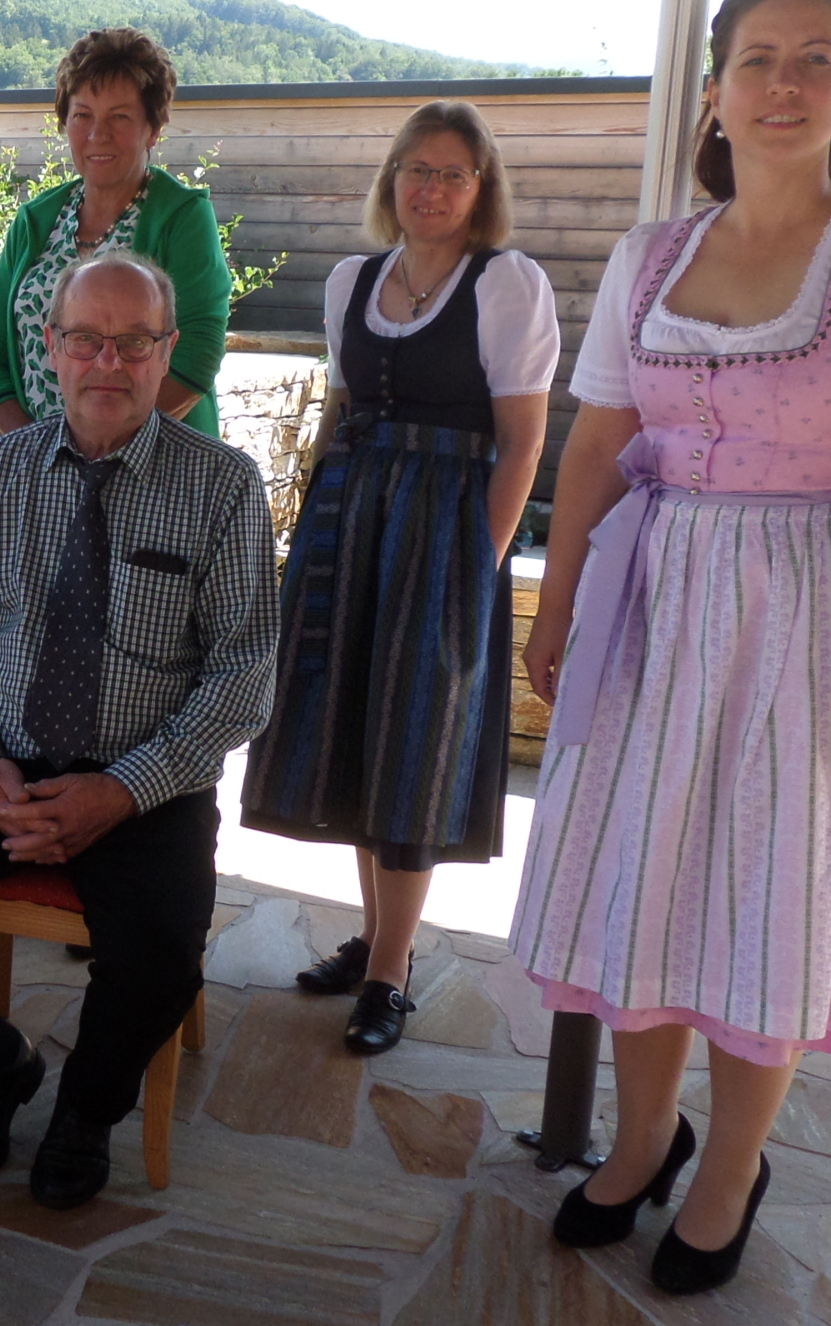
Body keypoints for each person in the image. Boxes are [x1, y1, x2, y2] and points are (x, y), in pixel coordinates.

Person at [509, 0, 831, 1296]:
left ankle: (729, 1170)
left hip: (808, 603)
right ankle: (642, 1139)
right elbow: (597, 439)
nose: (785, 83)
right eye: (759, 59)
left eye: (815, 60)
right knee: (644, 870)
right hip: (654, 595)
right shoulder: (649, 256)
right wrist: (558, 601)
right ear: (714, 90)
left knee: (769, 886)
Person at [0, 252, 276, 1211]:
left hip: (146, 781)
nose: (109, 362)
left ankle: (85, 1111)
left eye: (133, 342)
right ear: (51, 349)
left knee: (162, 951)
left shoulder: (224, 487)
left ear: (168, 352)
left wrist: (123, 790)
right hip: (2, 767)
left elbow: (242, 677)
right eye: (86, 340)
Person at [240, 101, 559, 1054]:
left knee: (416, 746)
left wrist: (476, 569)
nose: (432, 188)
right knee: (355, 732)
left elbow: (523, 443)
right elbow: (338, 415)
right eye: (418, 169)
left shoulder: (507, 284)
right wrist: (312, 534)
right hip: (350, 524)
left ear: (481, 187)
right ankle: (380, 940)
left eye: (454, 173)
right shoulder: (353, 281)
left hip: (443, 535)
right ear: (392, 180)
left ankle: (389, 975)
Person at [0, 28, 234, 439]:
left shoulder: (182, 216)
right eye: (82, 116)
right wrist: (31, 448)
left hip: (154, 462)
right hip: (37, 465)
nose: (98, 134)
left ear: (153, 129)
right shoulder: (35, 220)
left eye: (119, 117)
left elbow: (199, 350)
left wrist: (106, 451)